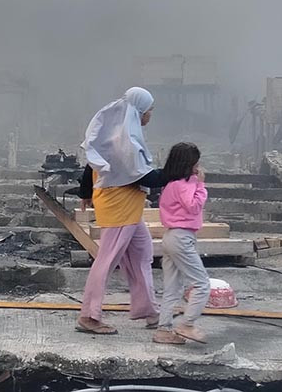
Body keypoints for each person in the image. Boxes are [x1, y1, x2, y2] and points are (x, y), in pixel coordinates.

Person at [76, 87, 161, 335]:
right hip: (119, 208)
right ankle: (89, 316)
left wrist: (85, 191)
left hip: (128, 209)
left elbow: (90, 164)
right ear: (140, 111)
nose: (150, 116)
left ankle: (148, 309)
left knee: (142, 253)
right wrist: (178, 172)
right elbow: (144, 176)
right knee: (106, 261)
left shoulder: (116, 134)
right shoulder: (126, 142)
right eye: (150, 110)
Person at [153, 142, 210, 346]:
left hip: (170, 237)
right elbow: (193, 207)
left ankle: (163, 329)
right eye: (196, 162)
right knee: (202, 284)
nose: (198, 166)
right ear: (189, 164)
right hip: (182, 237)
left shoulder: (170, 185)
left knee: (172, 287)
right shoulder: (186, 184)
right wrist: (200, 185)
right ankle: (187, 323)